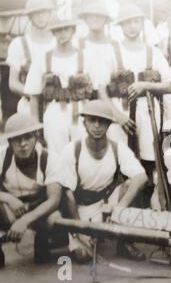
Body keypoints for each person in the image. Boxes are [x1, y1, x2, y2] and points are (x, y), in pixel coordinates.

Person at [57, 100, 148, 262]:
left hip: (108, 204)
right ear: (84, 122)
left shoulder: (117, 147)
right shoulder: (72, 150)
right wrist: (80, 231)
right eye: (92, 120)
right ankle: (86, 237)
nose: (97, 126)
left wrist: (120, 208)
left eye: (102, 121)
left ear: (109, 124)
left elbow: (141, 177)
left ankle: (123, 241)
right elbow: (68, 194)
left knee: (130, 185)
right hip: (82, 208)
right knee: (83, 257)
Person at [99, 4, 171, 182]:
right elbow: (101, 89)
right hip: (119, 112)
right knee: (120, 158)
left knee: (151, 158)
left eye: (136, 22)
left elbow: (170, 85)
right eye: (127, 23)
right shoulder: (111, 52)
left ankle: (151, 198)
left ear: (142, 23)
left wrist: (145, 85)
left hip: (147, 110)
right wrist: (116, 115)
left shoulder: (153, 52)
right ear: (121, 26)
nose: (132, 26)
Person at [24, 16, 93, 156]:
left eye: (66, 29)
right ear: (53, 33)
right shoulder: (42, 58)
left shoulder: (86, 56)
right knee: (56, 156)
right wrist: (35, 127)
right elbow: (34, 97)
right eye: (58, 30)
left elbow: (97, 90)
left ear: (73, 30)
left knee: (83, 154)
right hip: (54, 111)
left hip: (81, 111)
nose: (62, 33)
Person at [0, 114, 62, 268]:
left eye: (28, 138)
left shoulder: (49, 157)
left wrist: (25, 221)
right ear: (9, 142)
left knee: (54, 217)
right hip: (11, 208)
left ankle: (43, 239)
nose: (23, 144)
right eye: (17, 139)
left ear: (36, 137)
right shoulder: (2, 155)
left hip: (38, 207)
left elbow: (54, 200)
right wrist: (8, 198)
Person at [6, 0, 55, 117]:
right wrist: (35, 95)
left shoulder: (58, 41)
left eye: (43, 12)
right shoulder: (18, 44)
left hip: (56, 105)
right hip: (28, 106)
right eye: (35, 13)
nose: (40, 16)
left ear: (50, 13)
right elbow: (13, 83)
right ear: (29, 16)